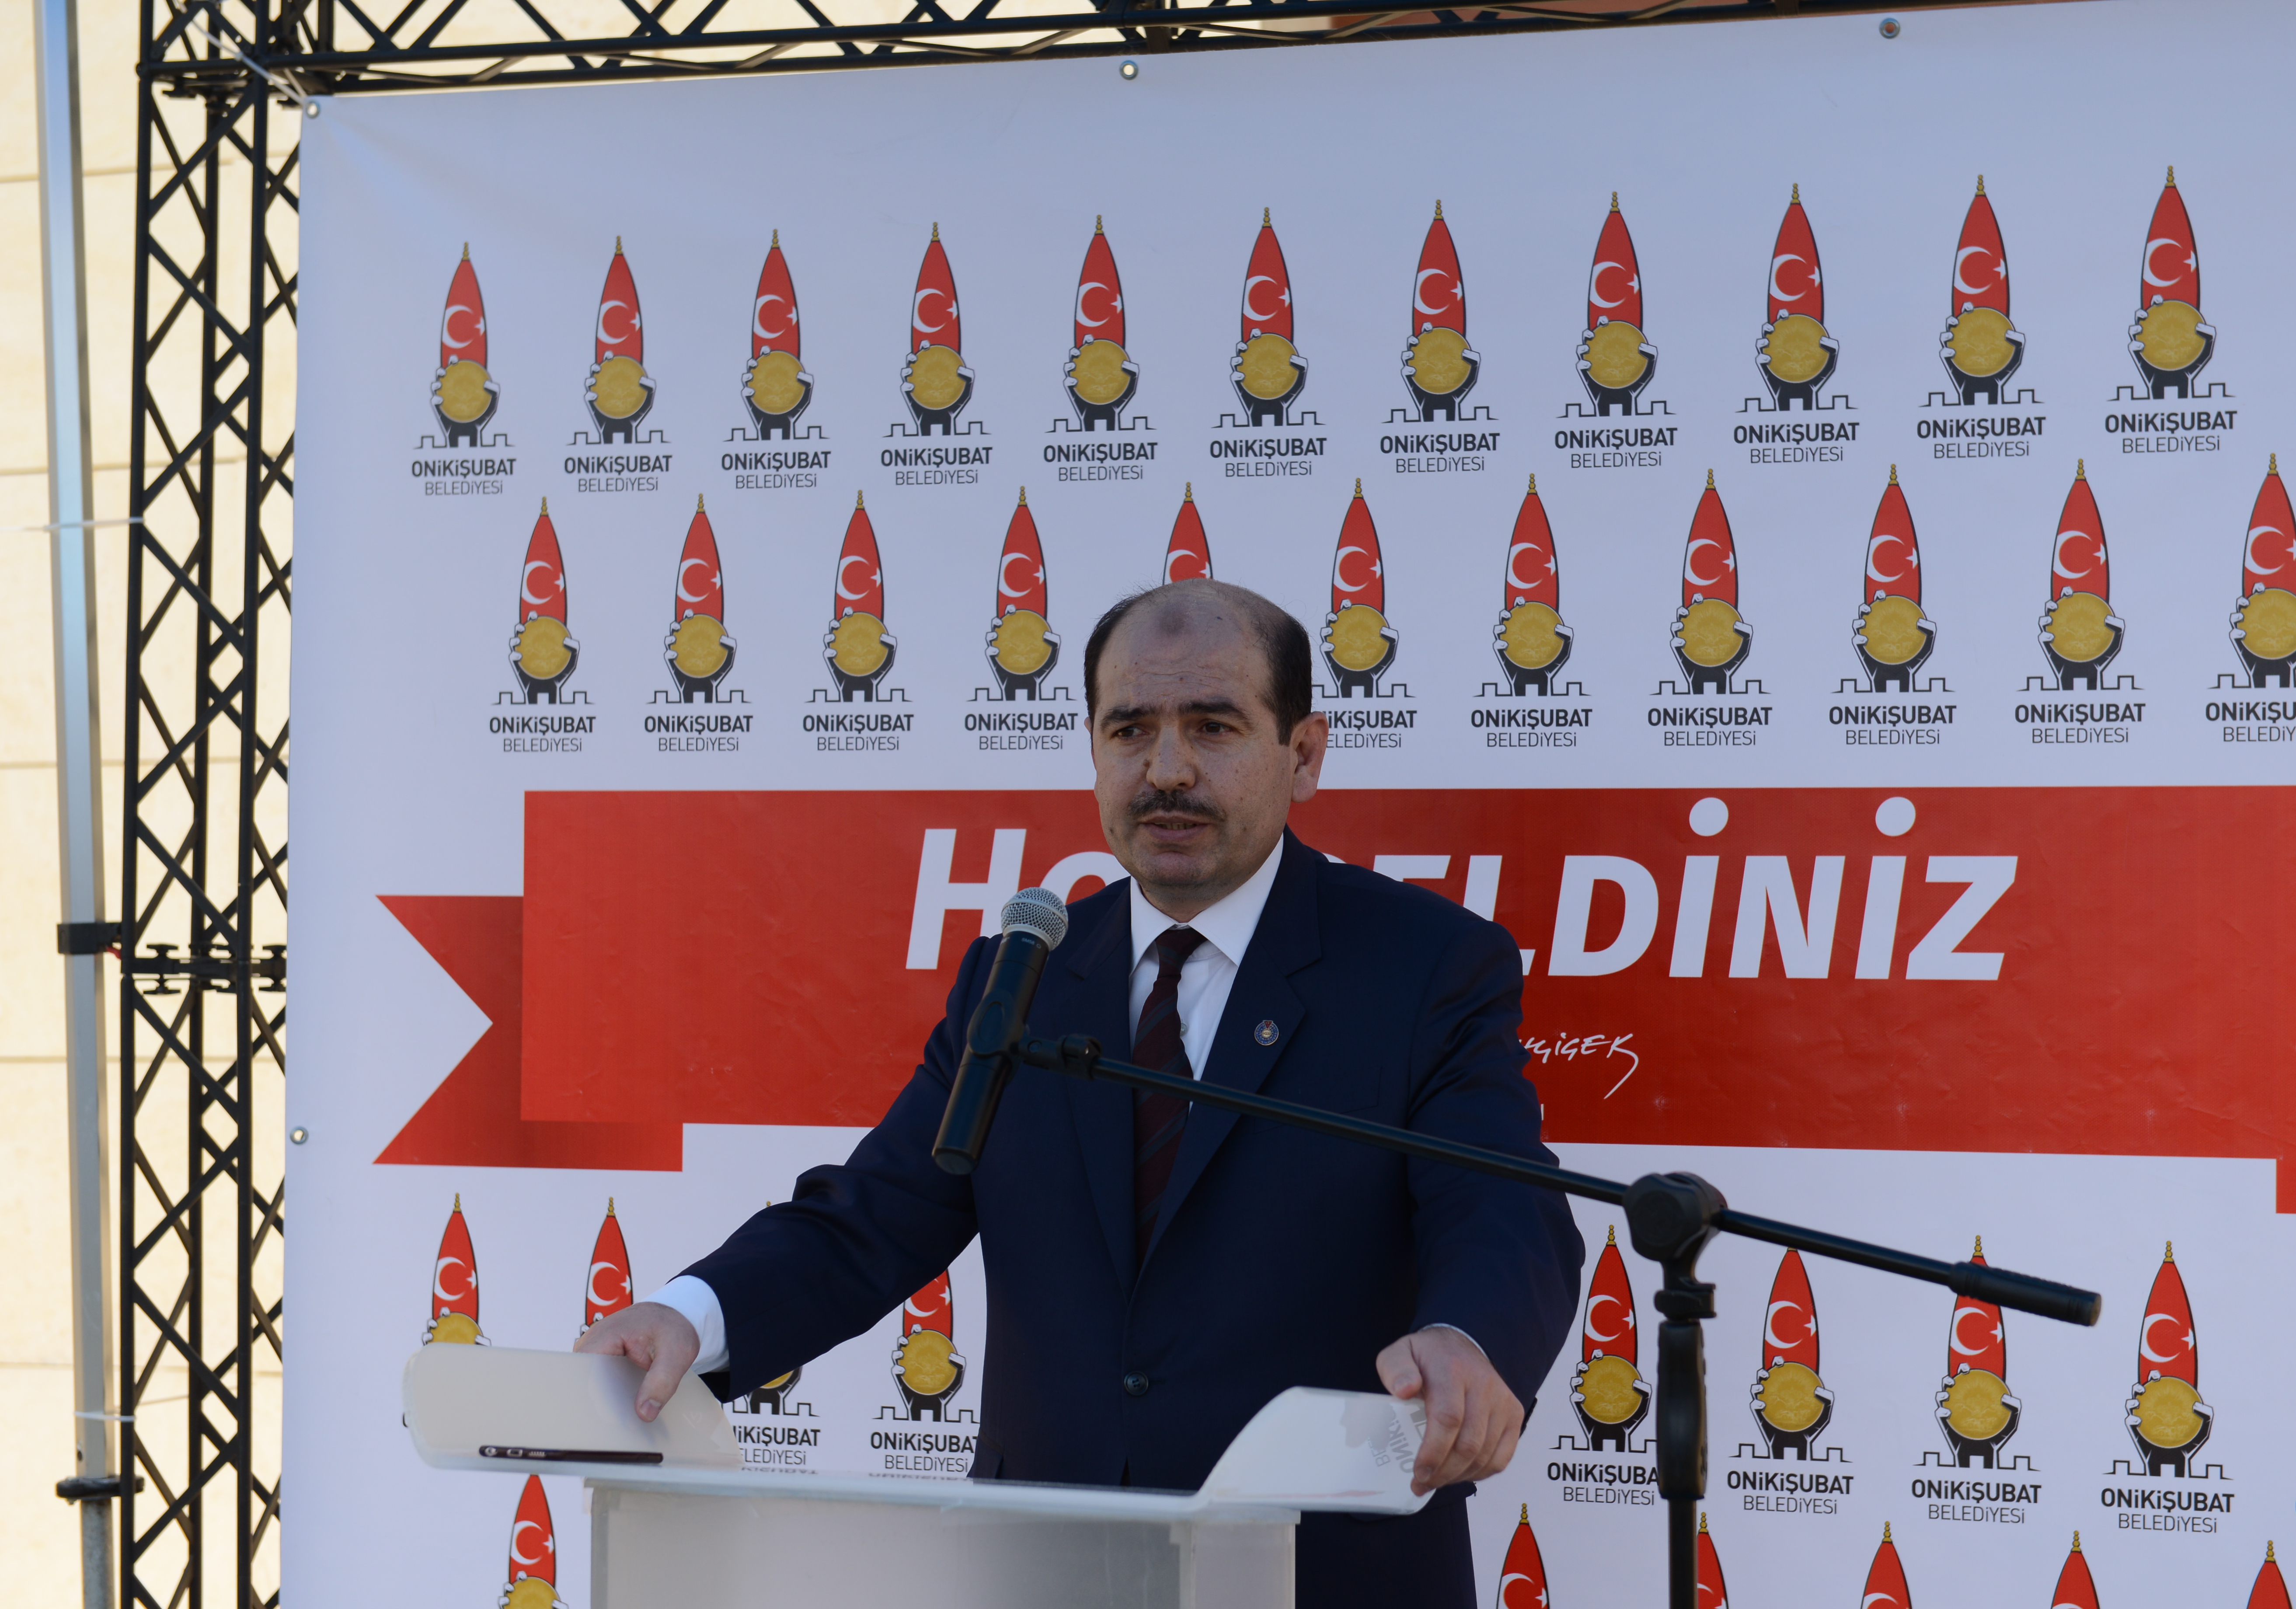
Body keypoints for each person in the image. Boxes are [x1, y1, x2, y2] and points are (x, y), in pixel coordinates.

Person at [578, 578, 1581, 1604]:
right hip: (1044, 1565)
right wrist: (693, 1317)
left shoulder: (1424, 966)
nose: (1167, 769)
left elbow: (1502, 1202)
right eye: (1130, 729)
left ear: (1306, 753)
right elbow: (878, 1212)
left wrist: (1470, 1339)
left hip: (1320, 1565)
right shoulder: (1025, 976)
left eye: (1214, 726)